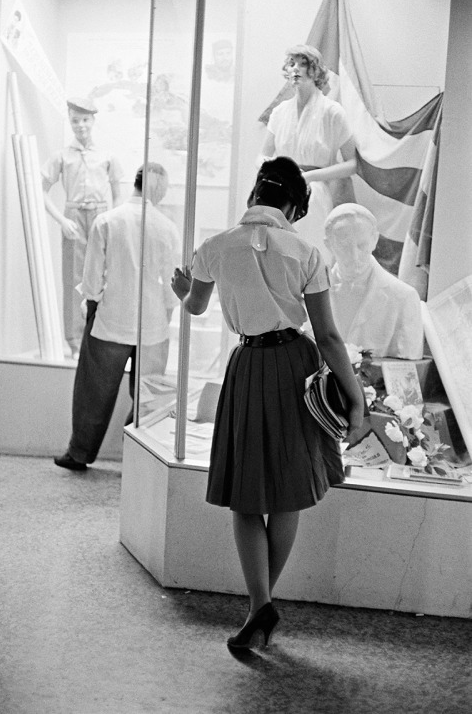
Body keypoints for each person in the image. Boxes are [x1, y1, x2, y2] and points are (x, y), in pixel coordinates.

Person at [171, 156, 364, 649]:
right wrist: (357, 401)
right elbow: (328, 336)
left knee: (245, 492)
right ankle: (261, 607)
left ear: (255, 194)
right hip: (297, 366)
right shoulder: (305, 252)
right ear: (294, 205)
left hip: (248, 365)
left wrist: (181, 291)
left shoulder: (214, 247)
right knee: (288, 490)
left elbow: (195, 306)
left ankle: (260, 607)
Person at [54, 162, 180, 471]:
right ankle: (140, 458)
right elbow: (171, 285)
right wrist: (165, 315)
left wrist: (93, 303)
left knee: (93, 393)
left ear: (134, 183)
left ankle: (80, 453)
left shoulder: (107, 221)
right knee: (148, 396)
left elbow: (93, 279)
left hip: (111, 318)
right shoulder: (167, 227)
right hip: (152, 323)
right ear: (159, 191)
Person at [41, 97, 123, 357]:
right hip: (74, 215)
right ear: (70, 121)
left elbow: (118, 192)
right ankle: (75, 339)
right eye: (75, 121)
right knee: (74, 277)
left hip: (100, 215)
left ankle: (99, 335)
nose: (81, 126)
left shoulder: (106, 156)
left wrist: (111, 218)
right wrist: (62, 220)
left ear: (93, 121)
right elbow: (40, 190)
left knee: (102, 275)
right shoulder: (62, 156)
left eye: (85, 120)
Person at [260, 45, 357, 259]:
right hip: (280, 192)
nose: (296, 69)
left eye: (303, 64)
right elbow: (264, 155)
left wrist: (310, 176)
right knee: (278, 253)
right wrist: (271, 174)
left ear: (315, 71)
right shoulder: (280, 112)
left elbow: (352, 164)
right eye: (292, 64)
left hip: (314, 194)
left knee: (310, 253)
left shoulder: (332, 112)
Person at [324, 203, 424, 359]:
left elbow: (408, 372)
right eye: (344, 245)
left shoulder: (403, 297)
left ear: (374, 240)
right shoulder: (311, 294)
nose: (354, 256)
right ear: (328, 244)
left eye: (361, 245)